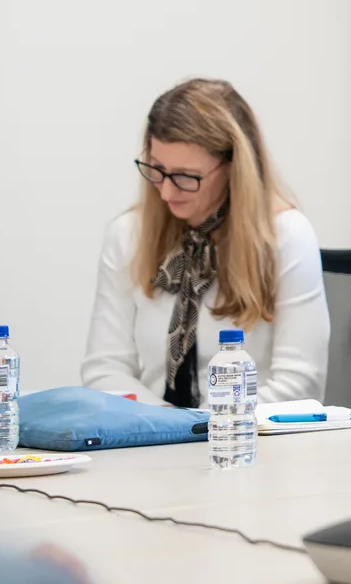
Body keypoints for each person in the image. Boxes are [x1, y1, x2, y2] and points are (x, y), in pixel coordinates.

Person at [82, 79, 329, 406]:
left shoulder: (286, 236)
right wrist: (165, 422)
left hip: (251, 430)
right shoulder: (128, 234)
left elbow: (300, 384)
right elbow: (104, 368)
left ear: (233, 167)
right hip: (154, 428)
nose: (166, 192)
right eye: (157, 170)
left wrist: (207, 425)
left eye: (185, 177)